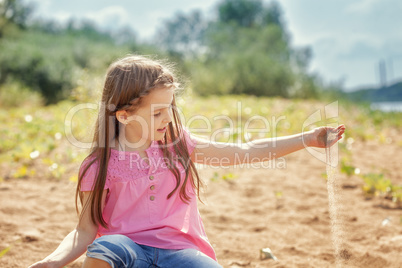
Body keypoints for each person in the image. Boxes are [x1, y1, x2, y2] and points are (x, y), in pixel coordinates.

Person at [29, 55, 345, 268]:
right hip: (129, 253)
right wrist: (53, 261)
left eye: (170, 107)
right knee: (105, 248)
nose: (168, 117)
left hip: (178, 254)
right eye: (157, 112)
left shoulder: (179, 145)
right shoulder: (98, 167)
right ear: (123, 115)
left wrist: (308, 139)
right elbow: (85, 231)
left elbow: (247, 150)